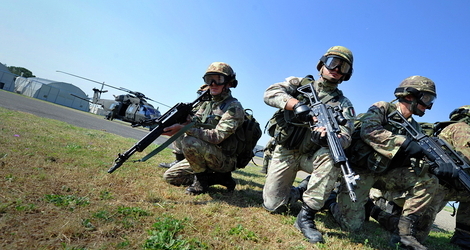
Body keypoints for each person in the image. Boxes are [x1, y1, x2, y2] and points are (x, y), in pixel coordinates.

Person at [327, 75, 440, 250]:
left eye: (431, 100)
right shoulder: (384, 108)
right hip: (361, 171)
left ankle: (405, 233)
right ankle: (332, 201)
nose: (428, 106)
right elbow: (368, 130)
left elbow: (418, 157)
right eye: (426, 99)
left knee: (429, 180)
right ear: (409, 95)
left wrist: (437, 166)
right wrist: (402, 142)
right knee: (352, 226)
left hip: (387, 174)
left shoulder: (416, 129)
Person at [263, 46, 356, 243]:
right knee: (273, 205)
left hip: (311, 156)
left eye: (343, 67)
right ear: (322, 64)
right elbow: (270, 93)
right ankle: (299, 191)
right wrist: (295, 105)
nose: (337, 69)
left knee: (334, 154)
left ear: (346, 74)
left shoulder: (344, 104)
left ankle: (306, 215)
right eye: (333, 63)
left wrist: (331, 139)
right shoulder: (299, 84)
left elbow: (347, 135)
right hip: (286, 151)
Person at [367, 105, 470, 250]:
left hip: (440, 186)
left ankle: (464, 237)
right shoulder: (462, 129)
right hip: (429, 186)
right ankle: (373, 209)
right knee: (416, 234)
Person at [161, 62, 244, 195]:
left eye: (218, 79)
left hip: (225, 159)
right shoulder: (206, 104)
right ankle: (217, 178)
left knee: (189, 141)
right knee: (171, 177)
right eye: (209, 80)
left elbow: (217, 137)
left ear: (229, 83)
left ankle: (201, 181)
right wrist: (181, 121)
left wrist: (183, 129)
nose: (212, 84)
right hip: (205, 154)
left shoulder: (234, 107)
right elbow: (194, 122)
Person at [158, 84, 209, 169]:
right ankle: (179, 160)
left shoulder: (213, 106)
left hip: (206, 136)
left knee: (182, 132)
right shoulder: (197, 106)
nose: (201, 97)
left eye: (203, 94)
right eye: (199, 94)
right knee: (178, 129)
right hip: (197, 132)